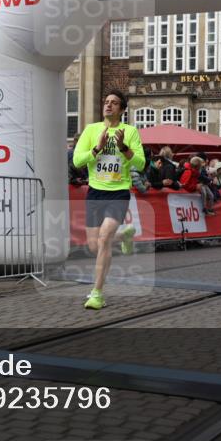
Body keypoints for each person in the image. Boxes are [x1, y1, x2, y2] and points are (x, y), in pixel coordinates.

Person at [72, 90, 144, 310]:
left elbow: (141, 164)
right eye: (106, 102)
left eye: (114, 103)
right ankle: (125, 235)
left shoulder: (130, 132)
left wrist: (123, 148)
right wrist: (97, 149)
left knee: (103, 240)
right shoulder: (91, 130)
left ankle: (97, 293)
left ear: (122, 109)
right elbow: (76, 161)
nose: (108, 105)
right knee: (94, 246)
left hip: (119, 193)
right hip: (95, 193)